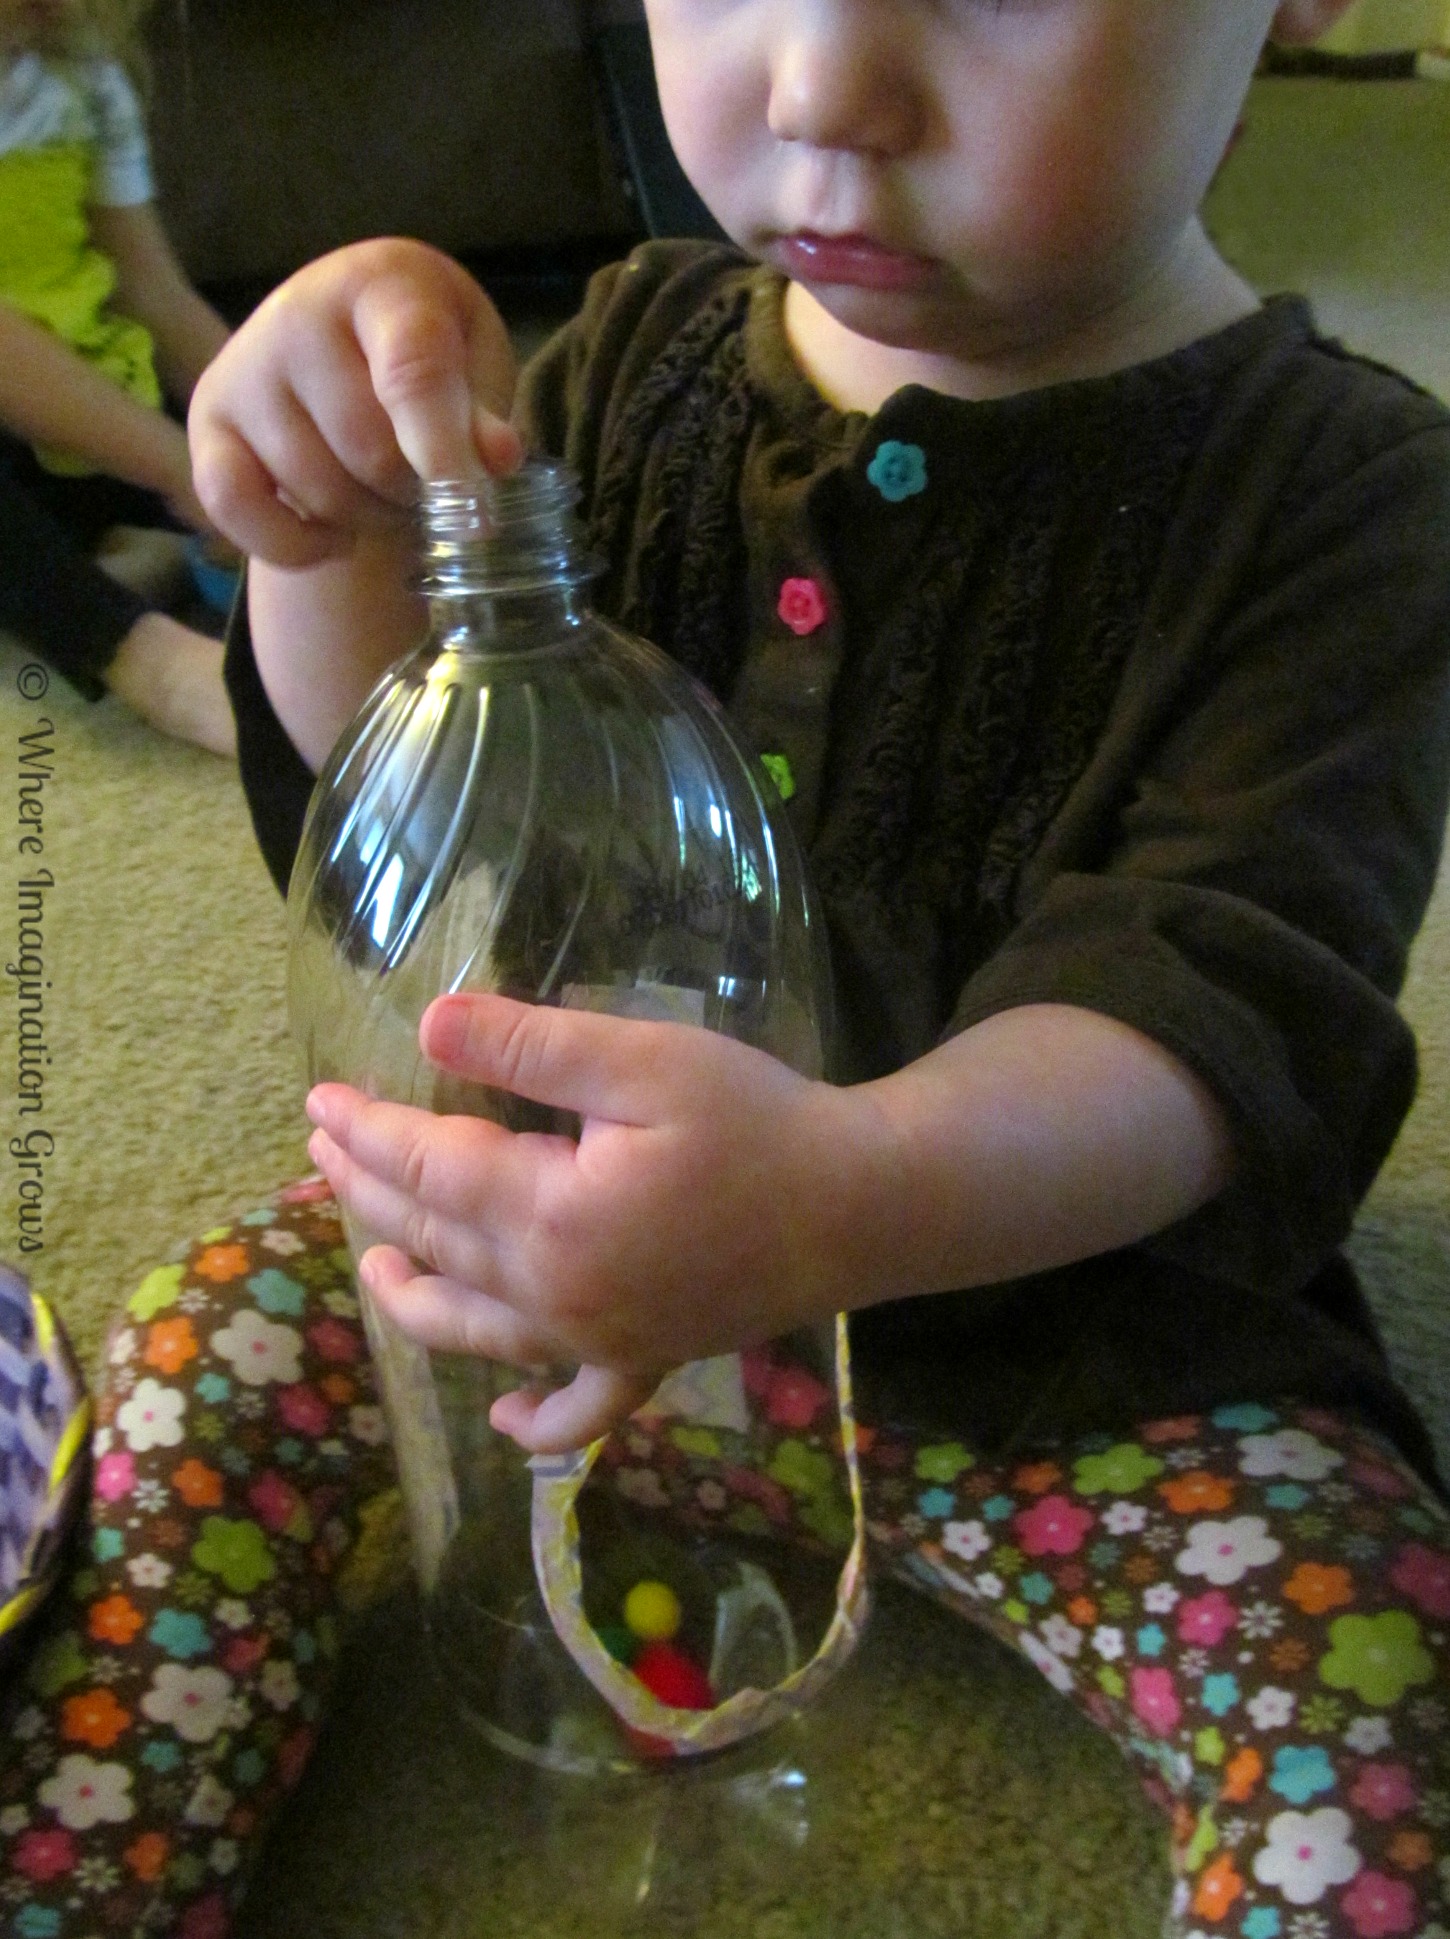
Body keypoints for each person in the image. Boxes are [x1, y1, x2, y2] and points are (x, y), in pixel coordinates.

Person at [4, 0, 1449, 1933]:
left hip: (1080, 1352)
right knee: (208, 1353)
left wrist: (838, 1198)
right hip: (565, 1278)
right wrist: (323, 532)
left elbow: (1228, 997)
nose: (820, 88)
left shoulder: (1352, 495)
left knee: (1366, 1696)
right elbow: (413, 820)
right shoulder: (630, 352)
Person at [0, 0, 236, 756]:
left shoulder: (80, 80)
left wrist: (259, 441)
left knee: (253, 371)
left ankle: (121, 552)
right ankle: (144, 656)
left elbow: (154, 293)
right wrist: (180, 466)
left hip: (84, 417)